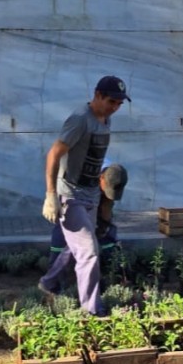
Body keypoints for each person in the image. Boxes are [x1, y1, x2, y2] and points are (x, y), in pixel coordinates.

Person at [39, 75, 131, 316]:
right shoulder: (80, 119)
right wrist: (50, 195)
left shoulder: (105, 119)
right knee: (89, 252)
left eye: (120, 103)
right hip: (70, 195)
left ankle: (49, 283)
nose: (115, 107)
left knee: (76, 248)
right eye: (112, 101)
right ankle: (92, 310)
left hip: (90, 195)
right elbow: (53, 154)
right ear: (97, 95)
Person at [44, 164, 128, 294]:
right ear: (101, 178)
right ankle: (54, 284)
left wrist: (103, 227)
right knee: (63, 238)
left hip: (92, 197)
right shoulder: (80, 171)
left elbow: (107, 204)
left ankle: (113, 274)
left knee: (108, 238)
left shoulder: (115, 174)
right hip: (71, 197)